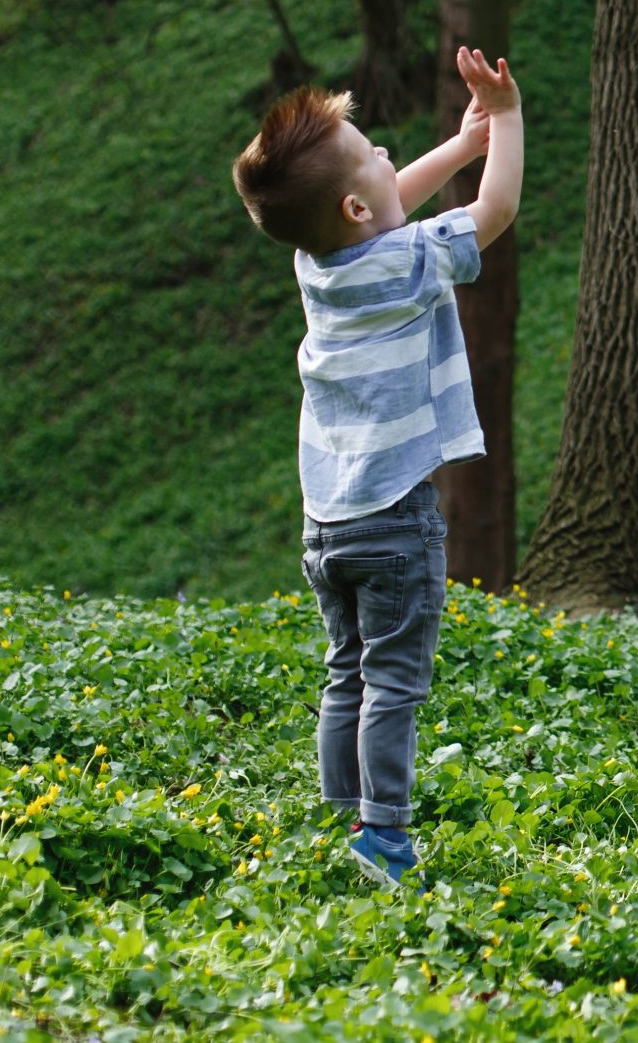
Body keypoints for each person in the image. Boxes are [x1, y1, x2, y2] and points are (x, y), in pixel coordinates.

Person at [231, 48, 523, 885]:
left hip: (328, 522)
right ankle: (384, 836)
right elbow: (493, 211)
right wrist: (502, 121)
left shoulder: (317, 262)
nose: (394, 156)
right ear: (356, 202)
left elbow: (383, 209)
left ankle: (339, 819)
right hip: (394, 517)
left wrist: (457, 149)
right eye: (376, 152)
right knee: (394, 679)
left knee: (346, 672)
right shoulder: (406, 261)